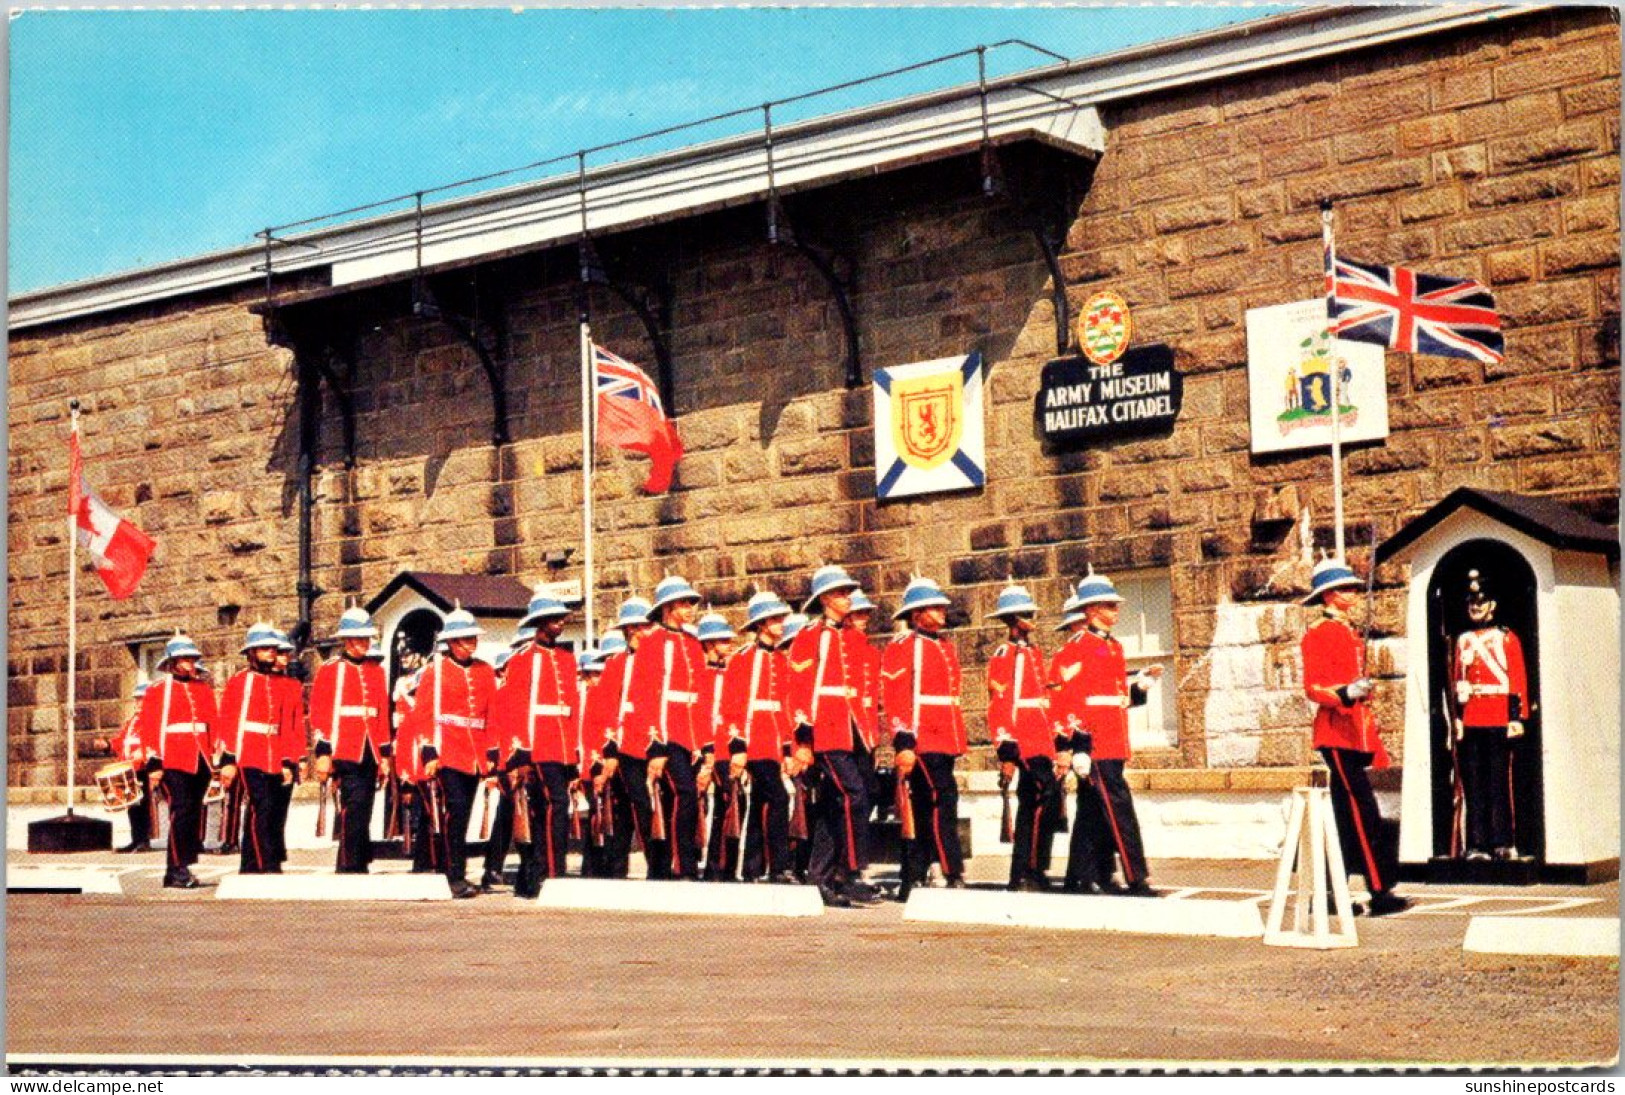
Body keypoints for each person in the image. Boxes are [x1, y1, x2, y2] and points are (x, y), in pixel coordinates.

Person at [1301, 556, 1410, 917]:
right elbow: (1315, 688)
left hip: (1356, 734)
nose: (1353, 593)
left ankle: (1332, 892)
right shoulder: (1319, 633)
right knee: (1365, 814)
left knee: (1346, 818)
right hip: (1337, 735)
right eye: (1346, 588)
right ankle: (1379, 891)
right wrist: (1347, 692)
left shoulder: (1348, 632)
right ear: (1330, 596)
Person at [1050, 570, 1161, 896]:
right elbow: (1070, 699)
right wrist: (1076, 745)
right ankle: (1136, 876)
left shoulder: (1114, 647)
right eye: (1110, 606)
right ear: (1093, 609)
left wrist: (1139, 686)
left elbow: (1115, 697)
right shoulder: (1078, 647)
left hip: (1115, 738)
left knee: (1091, 811)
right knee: (1119, 808)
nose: (1116, 611)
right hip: (1095, 743)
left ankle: (1080, 877)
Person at [787, 564, 881, 908]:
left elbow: (862, 693)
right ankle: (851, 871)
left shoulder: (854, 638)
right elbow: (799, 689)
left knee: (840, 804)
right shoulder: (809, 637)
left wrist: (869, 738)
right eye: (841, 593)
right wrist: (803, 741)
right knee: (852, 794)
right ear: (825, 598)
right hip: (825, 731)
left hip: (854, 731)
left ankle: (821, 877)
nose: (847, 598)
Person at [402, 606, 496, 898]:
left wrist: (492, 753)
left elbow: (492, 714)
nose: (472, 644)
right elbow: (424, 714)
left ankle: (452, 870)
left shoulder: (485, 671)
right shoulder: (435, 672)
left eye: (473, 639)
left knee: (464, 814)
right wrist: (429, 752)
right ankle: (453, 875)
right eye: (466, 639)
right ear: (453, 642)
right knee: (454, 811)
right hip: (448, 750)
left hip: (475, 753)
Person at [490, 591, 579, 898]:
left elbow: (572, 707)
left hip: (562, 747)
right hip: (537, 746)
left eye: (561, 618)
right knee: (557, 804)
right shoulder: (523, 660)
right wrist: (520, 753)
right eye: (555, 619)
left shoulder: (567, 659)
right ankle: (554, 871)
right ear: (540, 623)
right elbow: (516, 710)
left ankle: (535, 874)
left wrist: (575, 751)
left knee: (545, 810)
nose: (561, 624)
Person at [883, 577, 968, 896]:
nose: (942, 610)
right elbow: (896, 696)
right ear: (917, 613)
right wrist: (904, 742)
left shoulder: (944, 646)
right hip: (921, 738)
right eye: (934, 606)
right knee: (939, 800)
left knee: (926, 806)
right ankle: (950, 869)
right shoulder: (903, 647)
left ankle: (914, 875)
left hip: (944, 737)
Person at [621, 576, 707, 880]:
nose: (690, 609)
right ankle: (680, 863)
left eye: (691, 603)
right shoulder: (653, 642)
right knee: (683, 792)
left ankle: (678, 862)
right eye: (684, 603)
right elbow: (644, 696)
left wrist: (705, 745)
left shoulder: (693, 644)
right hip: (666, 733)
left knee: (684, 797)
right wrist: (654, 743)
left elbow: (700, 697)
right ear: (668, 607)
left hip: (689, 735)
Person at [1450, 569, 1531, 861]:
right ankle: (1476, 843)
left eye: (1480, 602)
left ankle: (1502, 841)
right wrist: (1458, 717)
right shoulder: (1463, 640)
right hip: (1472, 716)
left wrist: (1516, 717)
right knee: (1474, 783)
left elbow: (1517, 678)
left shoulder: (1506, 638)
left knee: (1500, 782)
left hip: (1499, 714)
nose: (1475, 607)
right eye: (1471, 602)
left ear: (1492, 604)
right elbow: (1458, 680)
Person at [986, 584, 1063, 892]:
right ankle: (1025, 870)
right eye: (1027, 613)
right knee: (1044, 794)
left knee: (1038, 801)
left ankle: (1030, 870)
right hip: (1021, 739)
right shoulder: (1005, 654)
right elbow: (999, 702)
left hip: (1040, 736)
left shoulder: (1033, 652)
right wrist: (1005, 744)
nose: (1033, 617)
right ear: (1014, 619)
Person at [720, 592, 797, 883]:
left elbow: (784, 707)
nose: (781, 624)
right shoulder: (743, 658)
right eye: (776, 619)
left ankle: (753, 867)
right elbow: (732, 705)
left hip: (774, 742)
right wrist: (737, 745)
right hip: (753, 741)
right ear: (762, 624)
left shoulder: (780, 659)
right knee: (776, 798)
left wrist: (787, 749)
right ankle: (777, 866)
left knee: (762, 803)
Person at [310, 607, 393, 874]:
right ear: (346, 640)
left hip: (369, 750)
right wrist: (323, 751)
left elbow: (381, 715)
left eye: (366, 639)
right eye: (358, 639)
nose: (363, 644)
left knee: (365, 807)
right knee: (353, 805)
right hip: (344, 746)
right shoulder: (331, 670)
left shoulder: (376, 672)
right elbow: (320, 712)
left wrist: (385, 755)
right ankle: (349, 863)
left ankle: (356, 860)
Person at [135, 632, 220, 889]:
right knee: (181, 810)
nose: (190, 664)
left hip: (200, 760)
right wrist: (154, 763)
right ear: (172, 662)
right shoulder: (158, 690)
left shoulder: (202, 689)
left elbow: (212, 724)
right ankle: (175, 869)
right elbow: (149, 727)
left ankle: (181, 866)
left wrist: (215, 756)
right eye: (184, 659)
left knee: (192, 813)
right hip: (172, 759)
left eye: (192, 659)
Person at [217, 623, 304, 874]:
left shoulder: (281, 683)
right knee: (261, 806)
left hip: (274, 753)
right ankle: (266, 864)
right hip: (248, 752)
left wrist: (288, 761)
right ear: (252, 652)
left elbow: (288, 726)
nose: (271, 652)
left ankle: (252, 865)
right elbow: (229, 721)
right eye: (264, 648)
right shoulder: (239, 682)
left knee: (268, 810)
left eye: (272, 648)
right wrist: (229, 758)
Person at [695, 610, 739, 880]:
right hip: (700, 748)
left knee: (731, 802)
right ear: (709, 644)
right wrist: (703, 751)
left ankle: (722, 867)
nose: (729, 645)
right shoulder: (697, 675)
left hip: (723, 748)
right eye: (723, 640)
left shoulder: (730, 674)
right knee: (695, 807)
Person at [268, 632, 305, 867]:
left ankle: (275, 856)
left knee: (280, 810)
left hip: (286, 755)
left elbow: (295, 724)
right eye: (280, 653)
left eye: (285, 653)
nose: (285, 658)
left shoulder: (291, 685)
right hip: (266, 755)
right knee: (265, 811)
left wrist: (297, 757)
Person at [111, 682, 155, 853]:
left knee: (143, 805)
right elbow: (121, 741)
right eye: (136, 700)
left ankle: (144, 839)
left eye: (141, 700)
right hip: (129, 768)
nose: (138, 703)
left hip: (144, 766)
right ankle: (135, 839)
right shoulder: (132, 721)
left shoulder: (152, 719)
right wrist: (107, 744)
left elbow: (153, 741)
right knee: (132, 805)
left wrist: (142, 753)